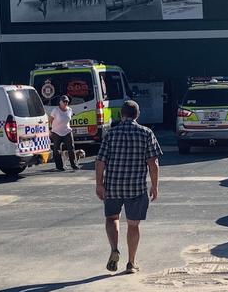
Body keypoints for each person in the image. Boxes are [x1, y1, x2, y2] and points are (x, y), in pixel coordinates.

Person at [95, 100, 162, 274]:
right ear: (137, 115)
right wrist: (154, 186)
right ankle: (131, 263)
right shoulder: (146, 133)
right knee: (133, 225)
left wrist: (99, 184)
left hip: (113, 186)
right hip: (136, 188)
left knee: (111, 218)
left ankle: (114, 249)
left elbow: (100, 161)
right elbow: (153, 163)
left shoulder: (111, 134)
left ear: (120, 114)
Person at [49, 95, 79, 171]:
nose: (66, 103)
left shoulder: (70, 110)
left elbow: (68, 119)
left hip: (67, 131)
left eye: (67, 101)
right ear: (60, 102)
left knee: (71, 148)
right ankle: (59, 166)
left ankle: (74, 164)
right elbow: (50, 120)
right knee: (57, 150)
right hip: (56, 132)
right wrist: (50, 130)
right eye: (64, 101)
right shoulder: (55, 110)